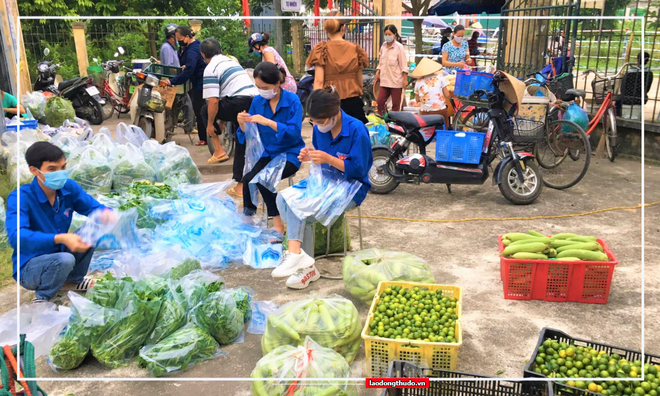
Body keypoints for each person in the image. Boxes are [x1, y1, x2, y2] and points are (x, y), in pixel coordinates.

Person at [274, 87, 373, 290]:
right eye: (314, 122)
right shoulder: (321, 130)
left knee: (301, 209)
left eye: (320, 121)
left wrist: (329, 159)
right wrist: (310, 157)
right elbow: (321, 164)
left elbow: (359, 169)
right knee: (283, 199)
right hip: (326, 180)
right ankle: (299, 257)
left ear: (335, 114)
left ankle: (303, 263)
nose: (318, 126)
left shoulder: (357, 130)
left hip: (352, 186)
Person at [5, 142, 116, 303]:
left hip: (60, 253)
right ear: (34, 171)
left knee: (93, 230)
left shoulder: (68, 188)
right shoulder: (21, 198)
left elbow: (93, 208)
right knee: (64, 259)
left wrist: (106, 214)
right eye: (52, 169)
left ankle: (72, 281)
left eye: (63, 167)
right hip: (31, 268)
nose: (60, 173)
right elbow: (16, 237)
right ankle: (43, 297)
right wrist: (60, 238)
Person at [237, 62, 305, 231]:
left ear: (277, 84)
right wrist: (243, 123)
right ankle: (248, 218)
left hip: (290, 153)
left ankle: (277, 221)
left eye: (265, 87)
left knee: (264, 179)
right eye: (258, 87)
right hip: (268, 153)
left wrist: (269, 122)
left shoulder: (292, 101)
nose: (261, 90)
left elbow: (294, 133)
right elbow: (248, 134)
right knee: (248, 178)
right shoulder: (257, 102)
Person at [200, 38, 258, 197]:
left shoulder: (210, 68)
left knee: (205, 111)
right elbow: (229, 92)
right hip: (255, 101)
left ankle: (218, 150)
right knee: (242, 142)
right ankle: (241, 187)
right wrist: (224, 119)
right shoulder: (232, 62)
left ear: (203, 55)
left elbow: (213, 101)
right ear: (219, 50)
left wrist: (211, 125)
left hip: (239, 102)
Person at [306, 11, 370, 124]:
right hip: (353, 102)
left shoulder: (321, 50)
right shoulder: (356, 50)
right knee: (355, 136)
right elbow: (359, 81)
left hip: (329, 102)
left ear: (326, 29)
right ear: (343, 27)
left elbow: (319, 82)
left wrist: (316, 106)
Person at [166, 25, 208, 146]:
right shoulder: (190, 47)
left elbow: (189, 70)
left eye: (180, 38)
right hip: (195, 82)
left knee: (200, 110)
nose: (178, 41)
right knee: (198, 109)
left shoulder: (193, 50)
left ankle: (204, 138)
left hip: (200, 82)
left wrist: (172, 81)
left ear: (187, 37)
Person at [160, 23, 196, 137]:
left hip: (175, 81)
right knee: (187, 104)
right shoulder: (166, 48)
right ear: (172, 36)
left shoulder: (171, 48)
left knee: (178, 107)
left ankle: (179, 128)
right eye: (177, 37)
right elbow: (170, 68)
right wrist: (181, 71)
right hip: (172, 82)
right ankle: (188, 128)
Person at [375, 25, 408, 115]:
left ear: (394, 34)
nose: (387, 36)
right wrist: (377, 72)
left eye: (389, 34)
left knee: (396, 105)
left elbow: (403, 65)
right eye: (386, 34)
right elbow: (381, 62)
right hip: (384, 80)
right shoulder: (383, 47)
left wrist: (405, 79)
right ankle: (384, 118)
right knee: (380, 101)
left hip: (396, 81)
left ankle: (394, 122)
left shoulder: (399, 47)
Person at [410, 58, 453, 122]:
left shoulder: (418, 81)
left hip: (425, 113)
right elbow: (447, 94)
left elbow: (417, 100)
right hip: (440, 112)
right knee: (446, 109)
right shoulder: (440, 78)